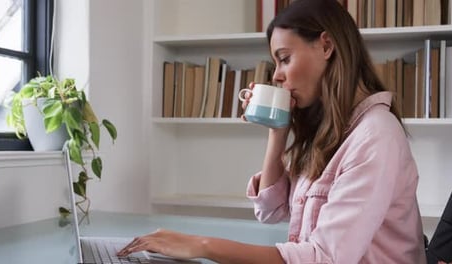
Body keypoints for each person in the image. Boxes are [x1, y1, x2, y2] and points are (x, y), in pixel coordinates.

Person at [118, 0, 426, 262]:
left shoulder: (375, 135)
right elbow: (270, 209)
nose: (277, 75)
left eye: (284, 59)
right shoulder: (331, 131)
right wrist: (278, 129)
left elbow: (325, 258)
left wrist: (201, 245)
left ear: (327, 45)